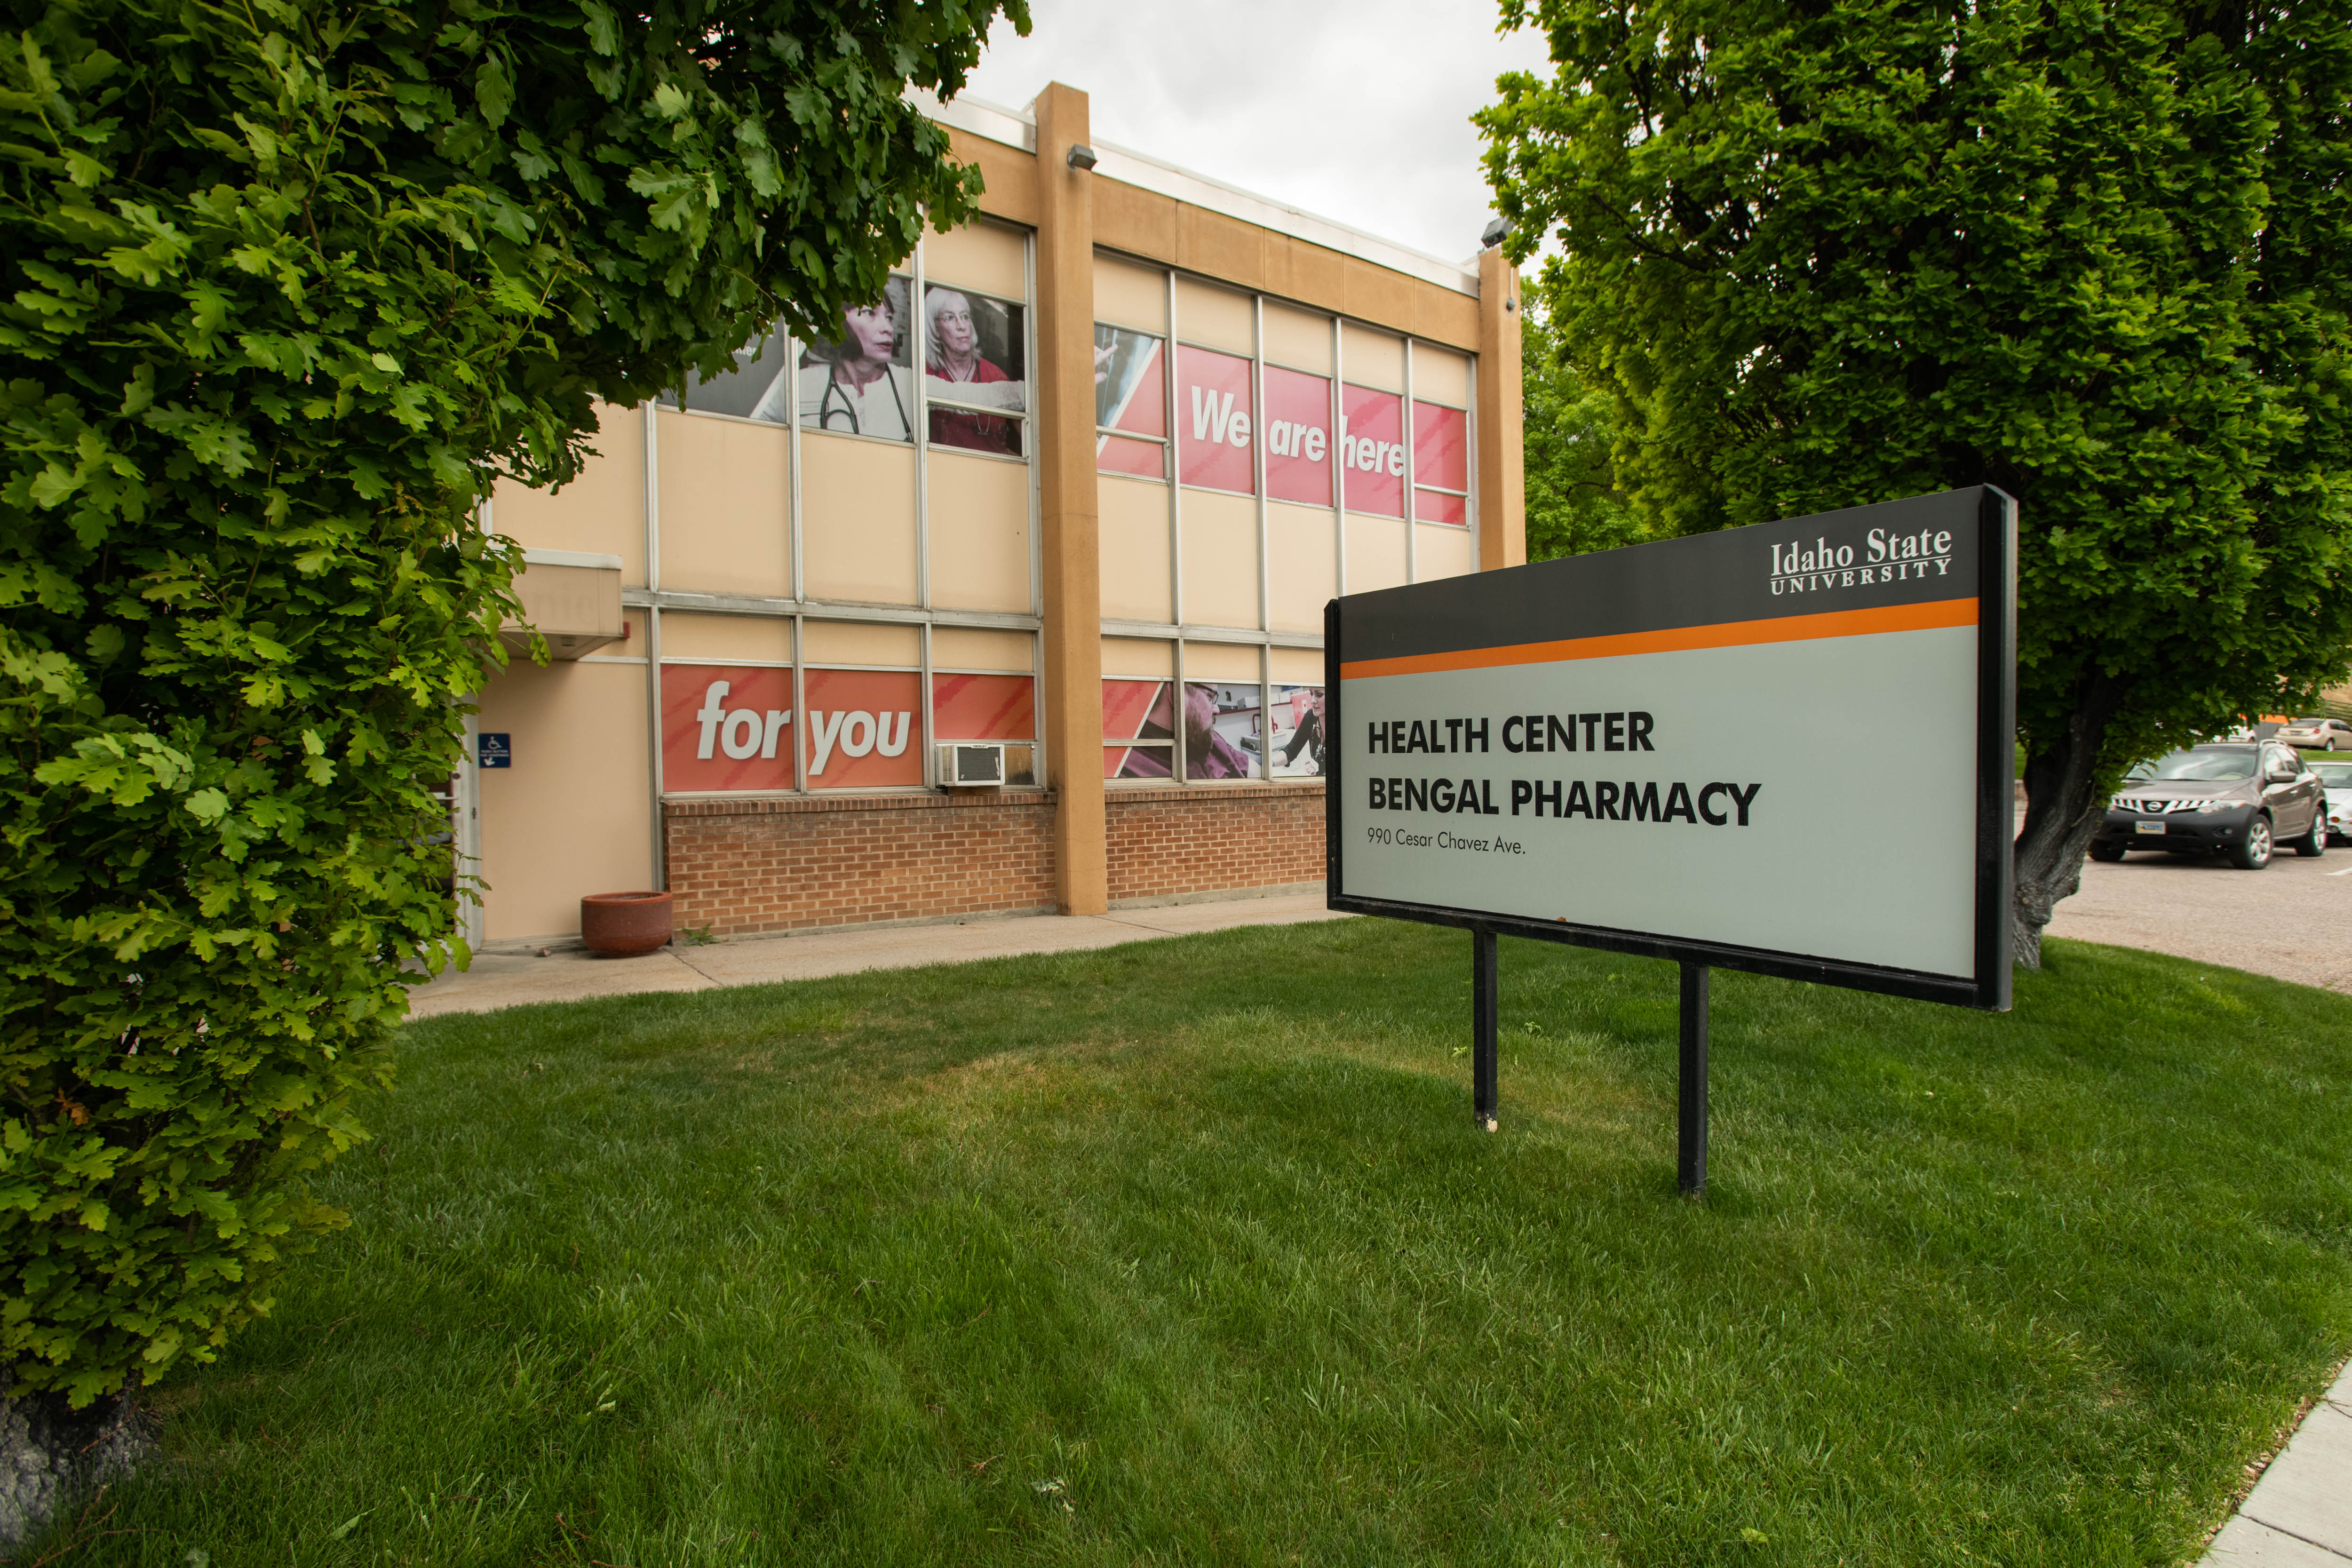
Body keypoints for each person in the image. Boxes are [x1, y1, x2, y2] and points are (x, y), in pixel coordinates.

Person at [788, 281, 914, 438]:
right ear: (840, 319)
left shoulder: (912, 384)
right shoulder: (801, 382)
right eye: (870, 313)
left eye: (889, 317)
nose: (888, 328)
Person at [924, 287, 1025, 454]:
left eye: (965, 316)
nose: (962, 326)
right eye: (950, 318)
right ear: (935, 329)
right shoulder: (928, 376)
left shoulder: (996, 376)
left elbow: (1027, 441)